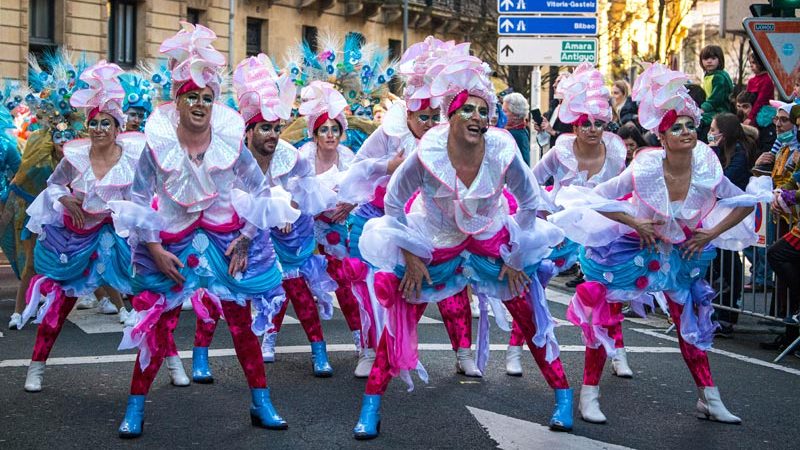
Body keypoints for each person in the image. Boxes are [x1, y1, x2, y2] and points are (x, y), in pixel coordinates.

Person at [352, 49, 573, 440]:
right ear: (450, 116)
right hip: (435, 245)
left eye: (483, 110)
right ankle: (371, 406)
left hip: (491, 242)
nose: (476, 117)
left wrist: (516, 254)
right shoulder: (427, 153)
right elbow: (391, 204)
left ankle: (563, 398)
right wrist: (409, 254)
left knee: (531, 319)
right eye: (467, 109)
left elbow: (530, 201)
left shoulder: (503, 150)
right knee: (398, 325)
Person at [550, 63, 771, 425]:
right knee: (604, 321)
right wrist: (634, 220)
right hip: (631, 253)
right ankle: (589, 394)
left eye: (690, 126)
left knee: (691, 327)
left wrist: (710, 233)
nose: (686, 132)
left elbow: (743, 201)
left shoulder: (706, 167)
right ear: (663, 136)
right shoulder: (645, 168)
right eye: (676, 128)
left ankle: (709, 400)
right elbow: (596, 197)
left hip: (679, 256)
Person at [111, 22, 297, 438]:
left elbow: (261, 188)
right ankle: (136, 407)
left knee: (241, 326)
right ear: (176, 103)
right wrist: (155, 249)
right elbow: (139, 201)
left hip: (224, 241)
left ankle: (261, 403)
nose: (199, 104)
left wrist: (247, 237)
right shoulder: (156, 145)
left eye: (207, 98)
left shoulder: (231, 142)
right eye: (191, 97)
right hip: (172, 245)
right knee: (157, 327)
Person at [338, 36, 482, 379]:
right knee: (378, 288)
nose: (430, 123)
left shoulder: (450, 139)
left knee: (454, 283)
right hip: (385, 220)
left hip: (435, 222)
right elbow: (358, 167)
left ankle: (464, 352)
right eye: (423, 117)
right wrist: (386, 166)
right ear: (409, 114)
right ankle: (371, 350)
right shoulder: (391, 133)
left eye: (436, 116)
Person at [19, 61, 146, 391]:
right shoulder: (74, 157)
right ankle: (36, 367)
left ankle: (172, 360)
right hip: (79, 240)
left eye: (106, 123)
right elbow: (54, 183)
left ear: (118, 128)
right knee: (60, 305)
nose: (99, 128)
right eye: (94, 123)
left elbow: (146, 195)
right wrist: (66, 200)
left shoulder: (131, 159)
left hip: (118, 239)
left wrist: (130, 217)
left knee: (149, 302)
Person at [513, 62, 630, 378]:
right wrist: (546, 209)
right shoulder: (559, 152)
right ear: (575, 127)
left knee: (611, 290)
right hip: (562, 231)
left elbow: (620, 192)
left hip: (602, 233)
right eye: (585, 123)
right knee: (535, 283)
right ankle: (515, 347)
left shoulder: (616, 154)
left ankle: (616, 352)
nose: (593, 129)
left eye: (598, 123)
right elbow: (530, 181)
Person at [231, 54, 339, 370]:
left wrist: (289, 208)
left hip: (289, 237)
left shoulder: (288, 155)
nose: (274, 135)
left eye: (277, 128)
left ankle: (319, 351)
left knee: (298, 295)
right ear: (248, 131)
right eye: (265, 127)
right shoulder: (234, 158)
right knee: (228, 298)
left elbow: (307, 181)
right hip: (251, 234)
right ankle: (259, 341)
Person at [5, 51, 83, 330]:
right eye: (57, 134)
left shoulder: (80, 152)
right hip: (42, 216)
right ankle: (18, 311)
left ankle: (120, 307)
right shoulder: (38, 150)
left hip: (71, 217)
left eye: (67, 135)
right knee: (31, 266)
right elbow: (23, 180)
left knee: (86, 261)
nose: (63, 140)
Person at [296, 80, 360, 376]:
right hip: (304, 230)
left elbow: (362, 189)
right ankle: (273, 340)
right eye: (324, 129)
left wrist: (348, 205)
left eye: (335, 129)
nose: (330, 135)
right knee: (293, 288)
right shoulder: (304, 157)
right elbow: (294, 193)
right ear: (315, 133)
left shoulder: (348, 157)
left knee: (345, 284)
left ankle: (362, 342)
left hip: (336, 229)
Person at [708, 113, 757, 334]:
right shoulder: (723, 150)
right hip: (718, 214)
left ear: (724, 133)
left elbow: (722, 179)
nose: (711, 132)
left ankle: (729, 313)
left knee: (730, 263)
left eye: (714, 129)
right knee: (717, 262)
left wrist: (714, 150)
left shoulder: (740, 151)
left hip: (735, 215)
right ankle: (716, 310)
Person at [699, 45, 734, 138]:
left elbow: (716, 98)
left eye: (713, 58)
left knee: (700, 121)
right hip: (713, 109)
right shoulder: (709, 75)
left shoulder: (719, 77)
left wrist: (703, 108)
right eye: (706, 59)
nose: (709, 61)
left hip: (720, 111)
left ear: (720, 60)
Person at [744, 51, 774, 128]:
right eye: (750, 63)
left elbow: (760, 101)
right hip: (749, 113)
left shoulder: (767, 80)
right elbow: (746, 100)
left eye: (753, 62)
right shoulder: (751, 81)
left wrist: (750, 117)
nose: (751, 65)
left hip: (762, 116)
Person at [503, 92, 531, 166]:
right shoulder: (521, 130)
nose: (502, 114)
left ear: (516, 114)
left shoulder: (515, 134)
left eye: (505, 111)